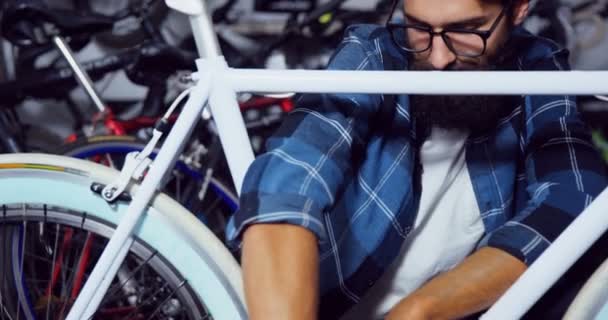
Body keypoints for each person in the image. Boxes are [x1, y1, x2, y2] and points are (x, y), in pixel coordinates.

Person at [226, 0, 608, 319]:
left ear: (519, 8)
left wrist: (419, 310)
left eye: (467, 30)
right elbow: (288, 182)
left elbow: (575, 198)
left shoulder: (535, 68)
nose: (438, 58)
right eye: (418, 27)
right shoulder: (375, 55)